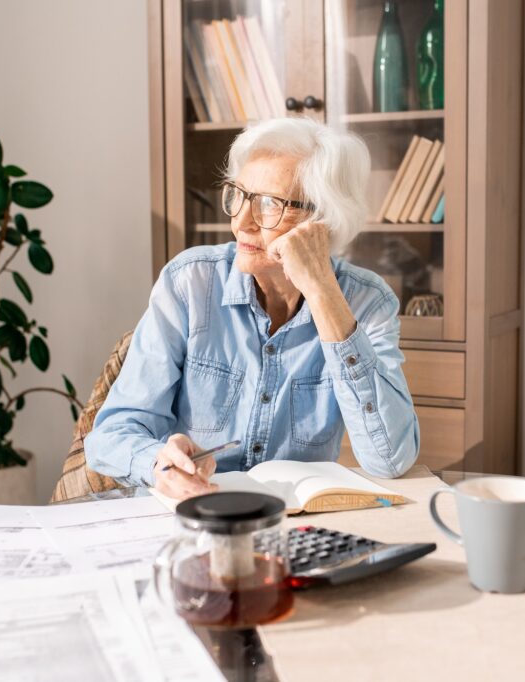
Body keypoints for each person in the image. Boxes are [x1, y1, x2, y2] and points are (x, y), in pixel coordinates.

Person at [85, 117, 419, 500]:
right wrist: (158, 461)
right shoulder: (190, 283)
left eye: (268, 205)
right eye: (239, 196)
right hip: (193, 514)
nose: (241, 222)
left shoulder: (367, 302)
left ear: (321, 222)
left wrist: (323, 291)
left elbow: (390, 459)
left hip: (292, 526)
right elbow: (111, 435)